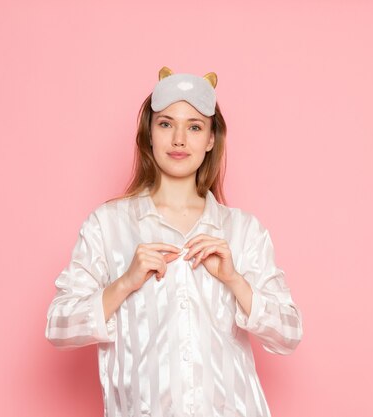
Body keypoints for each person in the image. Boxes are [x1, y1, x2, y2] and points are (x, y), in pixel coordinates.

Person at [45, 66, 303, 417]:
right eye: (166, 124)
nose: (179, 140)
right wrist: (125, 283)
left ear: (211, 139)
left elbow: (288, 333)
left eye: (194, 127)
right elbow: (59, 325)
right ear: (149, 133)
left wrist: (234, 281)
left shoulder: (243, 230)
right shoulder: (108, 226)